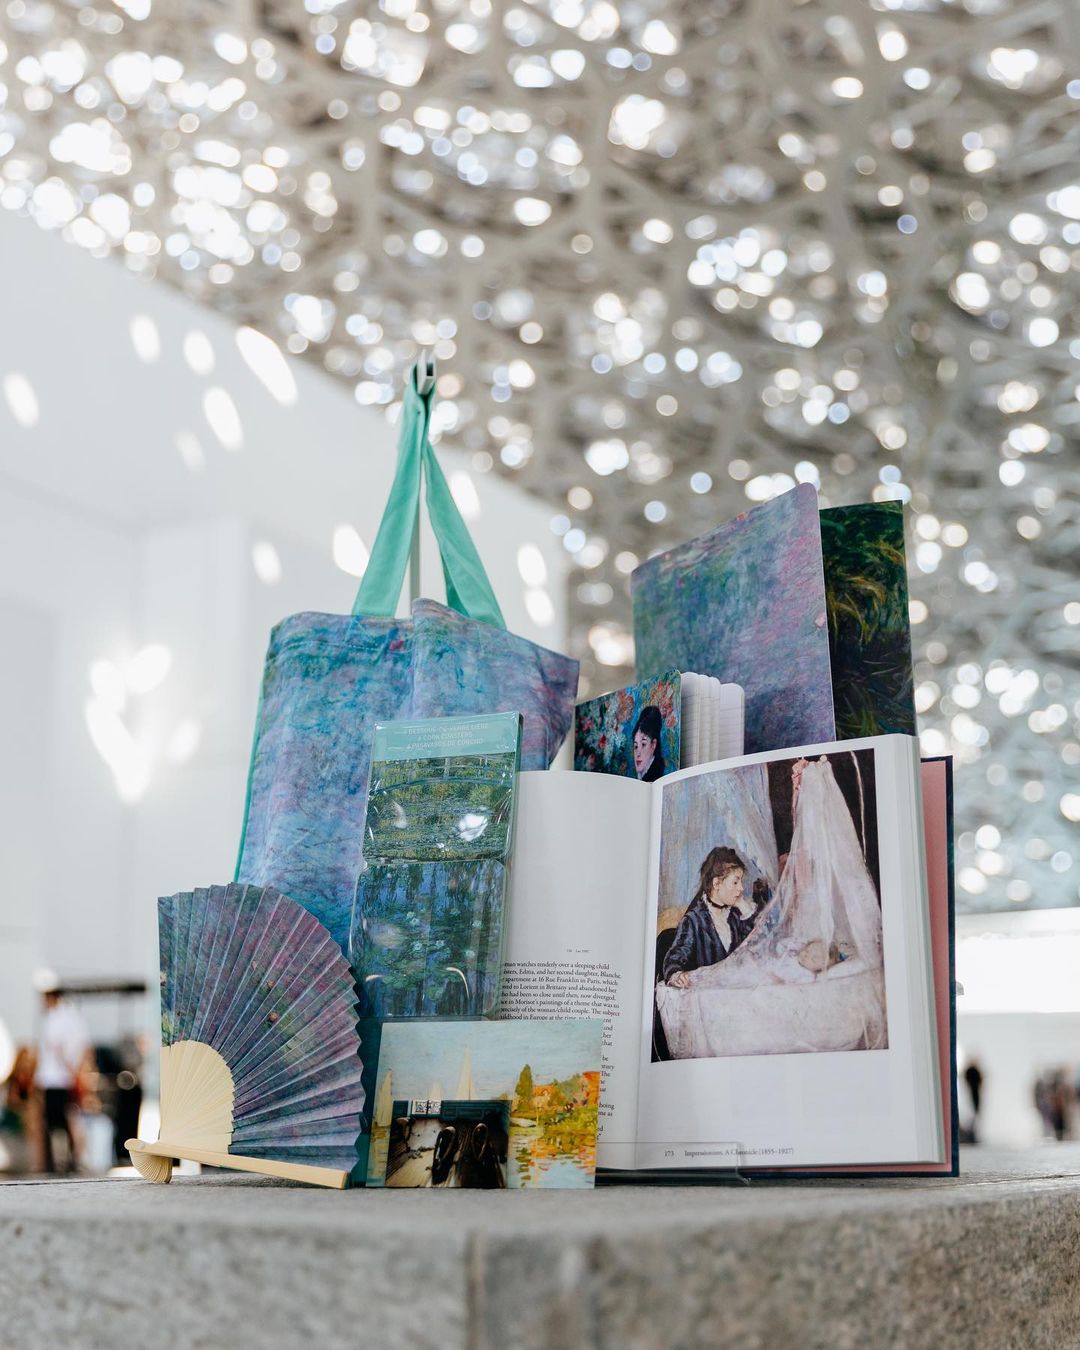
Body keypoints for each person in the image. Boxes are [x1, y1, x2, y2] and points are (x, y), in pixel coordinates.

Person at [662, 847, 754, 988]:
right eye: (735, 882)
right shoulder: (693, 921)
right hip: (707, 993)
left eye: (741, 882)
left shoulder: (736, 916)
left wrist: (745, 910)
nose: (741, 888)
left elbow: (758, 948)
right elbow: (675, 958)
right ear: (716, 883)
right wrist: (676, 974)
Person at [35, 989, 89, 1174]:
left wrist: (70, 1068)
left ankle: (56, 1161)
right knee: (66, 1119)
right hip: (62, 1077)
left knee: (55, 1121)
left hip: (54, 1078)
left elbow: (57, 1047)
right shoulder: (71, 1018)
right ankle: (70, 1158)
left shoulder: (55, 1019)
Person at [631, 705, 666, 782]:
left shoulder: (656, 778)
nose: (638, 754)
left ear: (653, 744)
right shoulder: (640, 775)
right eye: (636, 746)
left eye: (643, 744)